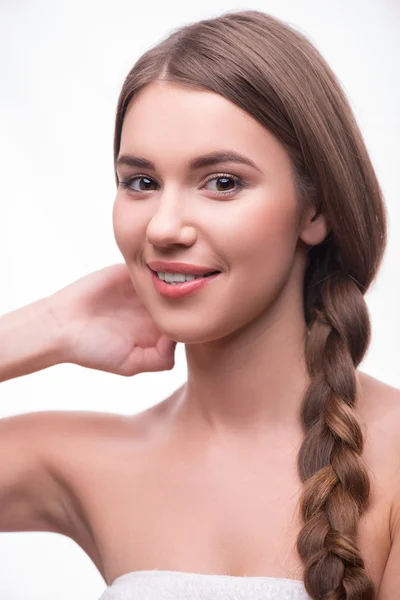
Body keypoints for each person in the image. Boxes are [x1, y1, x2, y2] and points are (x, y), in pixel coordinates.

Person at [0, 9, 398, 600]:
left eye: (222, 182)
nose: (163, 227)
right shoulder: (80, 459)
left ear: (316, 210)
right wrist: (45, 328)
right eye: (141, 182)